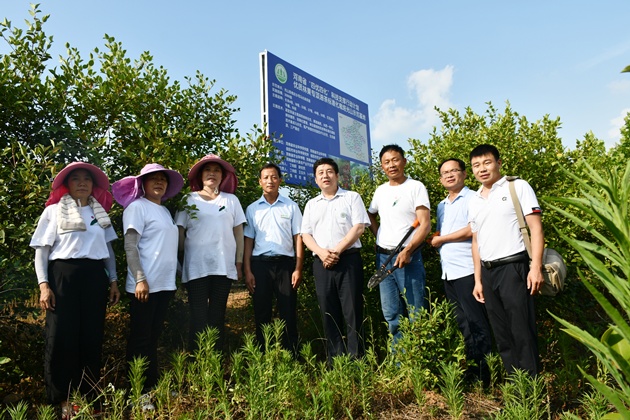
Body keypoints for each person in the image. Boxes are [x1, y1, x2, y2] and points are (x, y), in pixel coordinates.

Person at [30, 162, 120, 417]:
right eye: (76, 178)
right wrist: (44, 285)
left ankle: (90, 395)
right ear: (67, 184)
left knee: (91, 336)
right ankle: (64, 399)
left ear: (93, 185)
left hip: (94, 277)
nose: (82, 182)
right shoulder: (53, 211)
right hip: (63, 277)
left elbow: (108, 251)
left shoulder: (99, 213)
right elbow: (41, 251)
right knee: (62, 336)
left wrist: (113, 280)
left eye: (87, 179)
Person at [468, 144, 544, 376]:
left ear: (498, 163)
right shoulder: (474, 199)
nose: (482, 169)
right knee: (502, 335)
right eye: (476, 165)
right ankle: (516, 386)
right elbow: (476, 241)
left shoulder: (517, 186)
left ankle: (533, 389)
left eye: (487, 163)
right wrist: (478, 280)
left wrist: (536, 267)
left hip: (513, 267)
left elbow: (536, 229)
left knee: (522, 331)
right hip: (488, 272)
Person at [112, 163, 184, 406]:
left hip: (164, 285)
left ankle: (153, 385)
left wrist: (180, 273)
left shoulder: (164, 211)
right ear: (142, 183)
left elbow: (165, 247)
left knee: (153, 338)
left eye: (163, 179)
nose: (159, 182)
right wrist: (140, 278)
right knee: (140, 339)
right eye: (153, 178)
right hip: (144, 286)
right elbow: (130, 246)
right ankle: (138, 391)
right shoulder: (137, 207)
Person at [301, 157, 370, 363]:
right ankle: (336, 361)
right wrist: (322, 253)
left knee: (352, 310)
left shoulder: (352, 197)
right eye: (320, 173)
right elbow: (305, 235)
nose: (325, 176)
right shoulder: (311, 204)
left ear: (337, 176)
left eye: (329, 171)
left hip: (348, 260)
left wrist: (337, 251)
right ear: (315, 179)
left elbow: (359, 227)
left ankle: (357, 359)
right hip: (321, 263)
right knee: (327, 311)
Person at [175, 154, 246, 352]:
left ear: (223, 176)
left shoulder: (231, 200)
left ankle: (215, 360)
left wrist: (239, 262)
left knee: (217, 316)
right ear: (200, 175)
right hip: (196, 266)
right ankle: (196, 360)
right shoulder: (189, 199)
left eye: (216, 170)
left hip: (223, 267)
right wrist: (179, 259)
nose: (212, 174)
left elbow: (238, 234)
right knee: (198, 316)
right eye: (207, 170)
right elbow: (179, 232)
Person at [431, 158, 492, 383]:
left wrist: (442, 239)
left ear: (464, 174)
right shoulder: (441, 205)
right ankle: (474, 370)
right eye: (445, 173)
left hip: (467, 270)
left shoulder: (473, 198)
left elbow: (472, 230)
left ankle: (486, 374)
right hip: (448, 272)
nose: (449, 175)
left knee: (477, 322)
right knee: (463, 323)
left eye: (454, 171)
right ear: (440, 179)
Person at [367, 144, 430, 344]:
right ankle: (399, 357)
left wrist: (408, 250)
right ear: (382, 167)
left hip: (408, 258)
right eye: (386, 162)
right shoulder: (380, 190)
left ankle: (420, 357)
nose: (391, 165)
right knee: (391, 313)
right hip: (383, 257)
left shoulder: (415, 187)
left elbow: (425, 224)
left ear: (404, 161)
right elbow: (370, 214)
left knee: (416, 311)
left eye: (395, 160)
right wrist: (378, 235)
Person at [243, 163, 303, 355]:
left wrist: (298, 268)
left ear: (280, 180)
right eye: (266, 177)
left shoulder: (291, 206)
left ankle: (291, 354)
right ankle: (263, 355)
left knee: (288, 310)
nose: (270, 181)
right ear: (260, 182)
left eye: (274, 177)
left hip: (286, 265)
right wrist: (247, 270)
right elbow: (248, 241)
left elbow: (298, 238)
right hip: (260, 266)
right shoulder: (253, 209)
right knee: (262, 311)